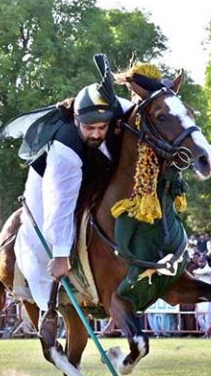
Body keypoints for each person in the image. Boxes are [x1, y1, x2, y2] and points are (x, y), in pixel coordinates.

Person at [12, 69, 132, 333]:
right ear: (77, 121)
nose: (97, 134)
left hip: (96, 167)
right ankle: (47, 306)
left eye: (102, 128)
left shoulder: (122, 110)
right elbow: (60, 207)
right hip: (47, 182)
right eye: (89, 128)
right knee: (40, 234)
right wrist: (60, 255)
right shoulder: (65, 150)